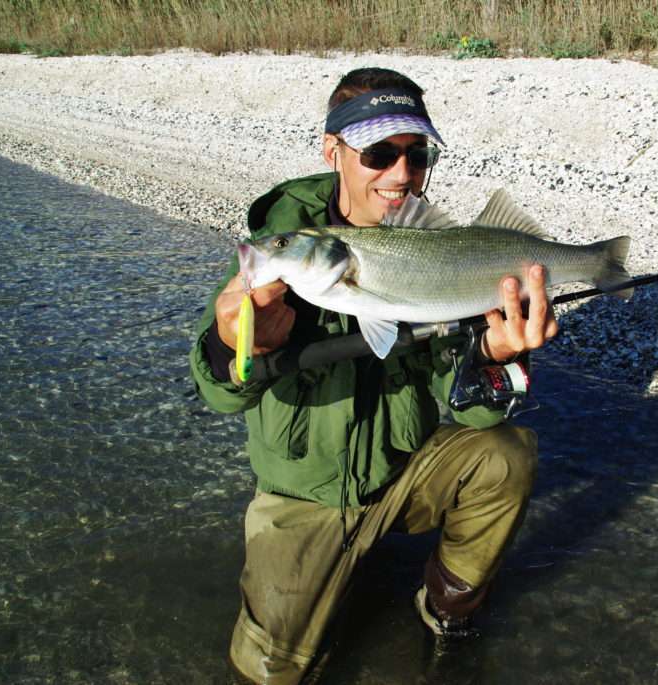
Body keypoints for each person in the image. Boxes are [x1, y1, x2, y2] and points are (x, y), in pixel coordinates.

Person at [189, 67, 558, 685]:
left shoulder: (443, 251)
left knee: (505, 453)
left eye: (418, 155)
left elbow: (471, 412)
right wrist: (236, 344)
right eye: (379, 153)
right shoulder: (280, 252)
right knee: (271, 673)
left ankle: (447, 613)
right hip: (305, 497)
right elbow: (217, 394)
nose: (401, 174)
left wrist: (493, 358)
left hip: (403, 471)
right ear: (332, 151)